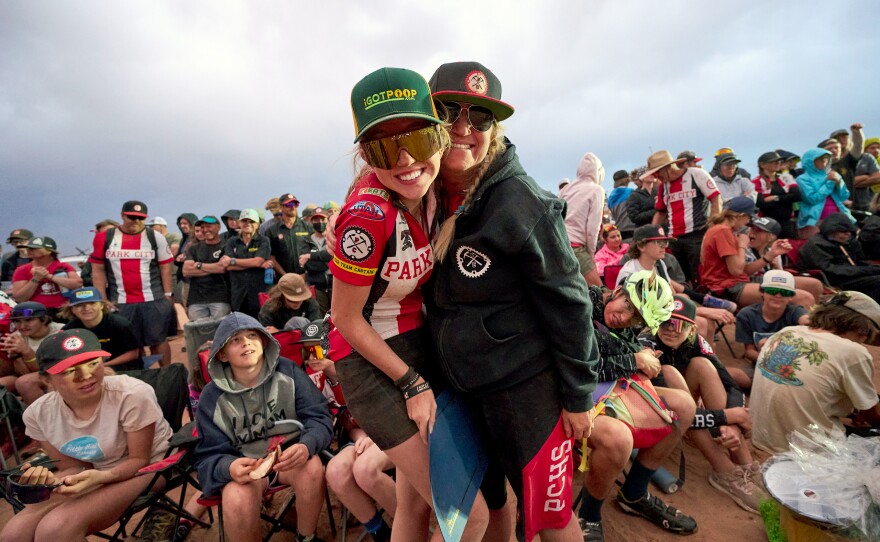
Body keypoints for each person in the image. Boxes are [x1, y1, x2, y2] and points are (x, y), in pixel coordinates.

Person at [426, 61, 607, 541]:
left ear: (495, 128)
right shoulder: (427, 192)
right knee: (491, 501)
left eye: (480, 117)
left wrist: (576, 395)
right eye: (448, 111)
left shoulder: (519, 201)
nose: (463, 128)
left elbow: (570, 302)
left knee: (549, 516)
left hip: (526, 390)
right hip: (465, 388)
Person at [331, 66, 490, 542]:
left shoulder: (435, 193)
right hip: (368, 360)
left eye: (418, 141)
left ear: (441, 137)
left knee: (415, 503)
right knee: (469, 516)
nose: (404, 160)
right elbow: (343, 318)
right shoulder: (368, 216)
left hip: (413, 345)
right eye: (383, 147)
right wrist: (413, 383)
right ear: (365, 154)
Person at [0, 329, 173, 541]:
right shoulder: (37, 415)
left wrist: (100, 477)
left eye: (92, 363)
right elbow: (74, 467)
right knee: (13, 534)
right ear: (46, 379)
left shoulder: (132, 394)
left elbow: (139, 460)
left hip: (147, 470)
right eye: (69, 371)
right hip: (95, 474)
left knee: (56, 529)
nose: (86, 376)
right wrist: (49, 479)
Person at [193, 313, 333, 542]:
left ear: (264, 341)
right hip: (246, 466)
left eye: (252, 336)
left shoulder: (287, 371)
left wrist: (307, 445)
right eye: (235, 340)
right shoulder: (211, 397)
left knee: (312, 468)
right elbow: (206, 456)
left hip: (290, 457)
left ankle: (305, 537)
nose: (246, 342)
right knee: (236, 498)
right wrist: (229, 467)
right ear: (222, 354)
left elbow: (319, 417)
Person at [581, 271, 697, 536]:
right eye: (628, 307)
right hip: (566, 394)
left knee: (683, 406)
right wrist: (634, 360)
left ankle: (634, 493)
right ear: (619, 291)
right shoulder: (581, 302)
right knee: (618, 439)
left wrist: (640, 356)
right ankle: (588, 515)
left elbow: (626, 347)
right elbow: (580, 364)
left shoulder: (628, 323)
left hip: (607, 390)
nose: (625, 319)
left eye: (636, 318)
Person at [650, 296, 763, 514]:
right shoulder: (648, 344)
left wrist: (732, 424)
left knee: (702, 365)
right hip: (655, 413)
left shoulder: (697, 343)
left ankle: (745, 462)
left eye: (679, 324)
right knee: (670, 375)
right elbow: (668, 409)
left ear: (692, 329)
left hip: (688, 410)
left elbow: (732, 387)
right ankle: (725, 471)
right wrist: (726, 417)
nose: (671, 330)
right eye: (665, 322)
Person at [750, 291, 880, 453]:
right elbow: (873, 416)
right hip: (811, 450)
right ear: (863, 331)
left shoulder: (786, 332)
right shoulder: (853, 352)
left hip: (763, 437)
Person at [89, 200, 176, 367]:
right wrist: (103, 299)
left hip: (153, 299)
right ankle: (141, 375)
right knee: (131, 343)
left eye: (140, 218)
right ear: (122, 216)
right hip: (121, 301)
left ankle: (167, 374)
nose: (136, 221)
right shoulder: (104, 238)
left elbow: (165, 268)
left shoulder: (155, 237)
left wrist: (167, 295)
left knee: (158, 340)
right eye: (131, 217)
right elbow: (98, 270)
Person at [700, 197, 815, 309]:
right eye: (748, 219)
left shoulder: (724, 231)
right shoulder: (722, 231)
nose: (747, 224)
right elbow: (736, 270)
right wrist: (742, 245)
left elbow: (743, 271)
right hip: (726, 287)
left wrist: (771, 255)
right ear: (741, 216)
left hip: (738, 281)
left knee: (813, 285)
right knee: (804, 298)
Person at [647, 149, 723, 283]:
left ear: (668, 167)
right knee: (681, 277)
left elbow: (715, 198)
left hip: (698, 233)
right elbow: (660, 212)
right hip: (674, 238)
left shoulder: (696, 174)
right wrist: (651, 235)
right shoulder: (663, 187)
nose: (656, 177)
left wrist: (713, 227)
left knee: (699, 274)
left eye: (658, 173)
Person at [796, 212, 880, 298]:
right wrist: (864, 270)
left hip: (849, 275)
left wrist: (871, 268)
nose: (847, 234)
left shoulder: (849, 242)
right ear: (831, 231)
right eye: (843, 232)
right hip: (832, 279)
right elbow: (828, 269)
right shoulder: (816, 245)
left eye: (850, 232)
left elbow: (860, 260)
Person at [735, 270, 810, 366]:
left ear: (791, 296)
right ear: (762, 292)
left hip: (792, 365)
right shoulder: (747, 315)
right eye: (772, 291)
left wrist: (810, 322)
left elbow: (805, 319)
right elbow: (749, 351)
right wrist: (769, 360)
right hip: (762, 365)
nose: (778, 295)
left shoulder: (795, 311)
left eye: (784, 292)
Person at [61, 286, 142, 372]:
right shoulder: (68, 331)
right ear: (72, 310)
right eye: (80, 305)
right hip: (87, 368)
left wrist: (103, 366)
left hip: (121, 366)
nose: (87, 308)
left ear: (102, 305)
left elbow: (134, 353)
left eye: (92, 303)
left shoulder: (120, 324)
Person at [745, 216, 824, 302]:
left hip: (768, 280)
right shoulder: (744, 248)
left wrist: (777, 267)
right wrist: (768, 258)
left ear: (771, 237)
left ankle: (815, 314)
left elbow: (781, 276)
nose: (752, 233)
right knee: (804, 297)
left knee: (815, 284)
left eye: (759, 231)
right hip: (748, 282)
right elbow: (744, 272)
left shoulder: (772, 249)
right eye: (752, 229)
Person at [1, 302, 64, 403]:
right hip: (33, 376)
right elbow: (23, 373)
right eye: (17, 321)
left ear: (44, 319)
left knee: (25, 382)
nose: (22, 326)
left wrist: (26, 351)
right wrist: (16, 355)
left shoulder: (61, 332)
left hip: (59, 373)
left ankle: (46, 416)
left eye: (28, 320)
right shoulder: (16, 337)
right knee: (3, 383)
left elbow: (45, 371)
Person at [560, 151, 606, 286]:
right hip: (576, 247)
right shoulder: (597, 190)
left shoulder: (566, 189)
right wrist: (591, 253)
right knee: (599, 291)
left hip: (557, 242)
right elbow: (593, 227)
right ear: (598, 172)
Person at [219, 208, 272, 319]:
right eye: (244, 221)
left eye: (251, 221)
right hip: (239, 294)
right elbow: (228, 267)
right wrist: (256, 263)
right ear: (239, 223)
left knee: (262, 325)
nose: (247, 224)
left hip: (259, 292)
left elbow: (258, 261)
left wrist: (233, 261)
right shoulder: (231, 242)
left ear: (257, 224)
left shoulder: (263, 240)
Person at [11, 236, 82, 318]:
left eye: (34, 248)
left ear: (48, 251)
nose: (28, 250)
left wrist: (50, 277)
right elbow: (19, 298)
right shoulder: (22, 270)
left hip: (63, 311)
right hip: (37, 313)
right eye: (28, 248)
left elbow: (78, 284)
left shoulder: (63, 266)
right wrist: (35, 279)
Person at [795, 148, 854, 239]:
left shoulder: (833, 175)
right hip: (815, 221)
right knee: (817, 247)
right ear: (810, 161)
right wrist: (830, 183)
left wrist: (839, 182)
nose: (824, 161)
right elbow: (812, 199)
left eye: (826, 158)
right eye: (820, 159)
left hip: (837, 220)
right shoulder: (802, 179)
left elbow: (844, 196)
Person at [182, 215, 232, 321]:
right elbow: (186, 271)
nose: (205, 230)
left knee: (221, 332)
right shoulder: (193, 248)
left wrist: (199, 265)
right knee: (199, 333)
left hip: (220, 298)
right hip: (196, 300)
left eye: (209, 226)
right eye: (203, 227)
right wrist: (214, 267)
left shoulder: (226, 246)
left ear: (218, 227)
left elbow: (222, 268)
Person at [753, 151, 801, 239]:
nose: (778, 163)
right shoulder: (756, 181)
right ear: (762, 165)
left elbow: (797, 196)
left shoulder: (786, 177)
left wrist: (776, 198)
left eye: (779, 161)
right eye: (773, 161)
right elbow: (760, 203)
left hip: (787, 222)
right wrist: (787, 198)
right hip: (767, 224)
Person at [267, 192, 313, 276]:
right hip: (283, 279)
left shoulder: (308, 227)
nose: (293, 207)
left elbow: (314, 251)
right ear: (281, 207)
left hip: (307, 278)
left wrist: (306, 274)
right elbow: (271, 256)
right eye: (289, 204)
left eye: (295, 204)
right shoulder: (272, 231)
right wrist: (285, 275)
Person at [300, 207, 333, 316]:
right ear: (311, 221)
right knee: (321, 317)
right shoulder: (306, 240)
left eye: (322, 219)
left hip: (335, 284)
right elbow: (306, 264)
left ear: (328, 220)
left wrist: (310, 256)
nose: (319, 222)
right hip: (316, 286)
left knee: (338, 316)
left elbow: (332, 254)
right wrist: (325, 260)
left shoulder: (333, 237)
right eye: (316, 220)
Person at [607, 170, 636, 242]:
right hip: (632, 231)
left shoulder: (611, 197)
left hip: (619, 232)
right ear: (627, 180)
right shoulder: (631, 192)